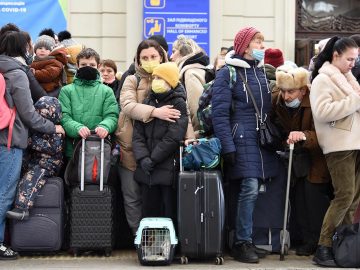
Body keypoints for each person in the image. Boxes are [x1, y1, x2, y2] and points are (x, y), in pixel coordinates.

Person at [212, 26, 278, 263]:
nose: (262, 46)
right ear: (245, 46)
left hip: (259, 139)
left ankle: (246, 238)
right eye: (257, 42)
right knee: (249, 187)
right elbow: (219, 114)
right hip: (240, 138)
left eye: (262, 41)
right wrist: (227, 146)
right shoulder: (227, 73)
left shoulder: (261, 72)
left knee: (254, 188)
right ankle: (241, 242)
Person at [115, 39, 195, 234]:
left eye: (153, 56)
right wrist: (154, 112)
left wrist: (190, 137)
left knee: (162, 198)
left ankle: (163, 239)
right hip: (132, 146)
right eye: (144, 58)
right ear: (138, 60)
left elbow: (183, 114)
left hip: (162, 152)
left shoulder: (172, 78)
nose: (149, 61)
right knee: (133, 195)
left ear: (162, 57)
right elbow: (126, 105)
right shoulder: (131, 78)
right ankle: (140, 237)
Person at [0, 30, 64, 260]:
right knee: (5, 194)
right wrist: (52, 127)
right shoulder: (16, 74)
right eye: (29, 47)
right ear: (22, 49)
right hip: (8, 141)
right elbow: (28, 114)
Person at [310, 36, 360, 267]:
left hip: (354, 143)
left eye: (355, 59)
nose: (353, 63)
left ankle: (344, 246)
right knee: (344, 196)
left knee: (353, 199)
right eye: (349, 58)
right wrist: (354, 102)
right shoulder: (323, 79)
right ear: (335, 55)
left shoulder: (347, 79)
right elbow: (322, 112)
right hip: (339, 145)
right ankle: (324, 246)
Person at [272, 64, 332, 256]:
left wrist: (304, 135)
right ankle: (303, 238)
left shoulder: (316, 102)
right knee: (298, 199)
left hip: (317, 158)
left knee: (313, 199)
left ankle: (316, 241)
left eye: (291, 91)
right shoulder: (278, 101)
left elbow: (325, 134)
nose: (286, 96)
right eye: (283, 91)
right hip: (296, 157)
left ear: (303, 90)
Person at [132, 62, 188, 219]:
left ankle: (169, 243)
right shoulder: (148, 102)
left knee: (168, 210)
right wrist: (143, 158)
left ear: (170, 81)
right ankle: (149, 243)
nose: (155, 80)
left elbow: (174, 136)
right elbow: (138, 134)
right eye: (154, 77)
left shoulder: (178, 102)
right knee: (148, 210)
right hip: (146, 169)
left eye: (160, 78)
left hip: (166, 167)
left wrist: (153, 159)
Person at [6, 96, 64, 220]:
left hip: (48, 164)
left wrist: (31, 141)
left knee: (32, 178)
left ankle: (22, 208)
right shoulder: (35, 128)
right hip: (34, 161)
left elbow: (53, 149)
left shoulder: (57, 130)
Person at [59, 48, 119, 160]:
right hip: (73, 149)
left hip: (99, 149)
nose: (88, 67)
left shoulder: (106, 91)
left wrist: (105, 126)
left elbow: (112, 115)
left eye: (92, 64)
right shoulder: (66, 91)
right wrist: (77, 128)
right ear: (77, 65)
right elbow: (64, 117)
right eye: (83, 64)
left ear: (98, 65)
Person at [170, 35, 211, 137]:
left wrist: (196, 134)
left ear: (182, 52)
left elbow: (196, 107)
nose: (171, 57)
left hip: (196, 135)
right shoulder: (197, 69)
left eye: (173, 51)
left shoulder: (190, 73)